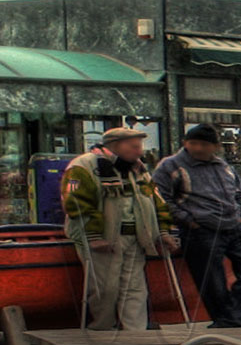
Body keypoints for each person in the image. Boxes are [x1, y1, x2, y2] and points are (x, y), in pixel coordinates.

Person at [152, 128, 241, 329]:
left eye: (204, 144)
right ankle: (227, 322)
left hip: (234, 227)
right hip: (201, 229)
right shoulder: (170, 166)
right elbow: (161, 198)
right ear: (185, 143)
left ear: (215, 147)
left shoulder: (223, 166)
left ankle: (233, 320)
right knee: (212, 281)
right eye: (192, 143)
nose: (197, 148)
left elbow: (240, 193)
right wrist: (188, 220)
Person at [59, 128, 168, 330]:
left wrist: (163, 231)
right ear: (116, 145)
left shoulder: (138, 169)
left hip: (135, 237)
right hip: (103, 237)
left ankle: (135, 334)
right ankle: (102, 329)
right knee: (105, 288)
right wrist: (92, 235)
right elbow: (74, 202)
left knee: (135, 288)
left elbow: (155, 199)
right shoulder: (82, 166)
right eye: (134, 147)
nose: (139, 152)